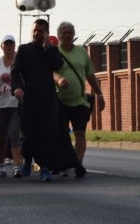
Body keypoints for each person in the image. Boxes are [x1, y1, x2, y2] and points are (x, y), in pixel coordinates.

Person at [11, 19, 81, 181]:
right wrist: (17, 87)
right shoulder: (23, 50)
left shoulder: (51, 50)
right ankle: (28, 159)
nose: (37, 34)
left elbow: (56, 65)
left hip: (48, 100)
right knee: (29, 135)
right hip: (28, 99)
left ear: (46, 33)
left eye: (41, 31)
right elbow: (15, 72)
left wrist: (48, 47)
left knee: (48, 135)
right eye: (35, 30)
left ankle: (45, 168)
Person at [54, 21, 105, 176]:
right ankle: (64, 163)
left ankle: (78, 162)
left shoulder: (81, 52)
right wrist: (59, 79)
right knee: (62, 134)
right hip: (60, 101)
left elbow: (90, 74)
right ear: (59, 36)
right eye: (64, 33)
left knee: (80, 133)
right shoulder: (53, 52)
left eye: (70, 32)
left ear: (74, 35)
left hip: (80, 101)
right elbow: (50, 72)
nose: (67, 35)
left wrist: (99, 93)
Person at [0, 35, 24, 177]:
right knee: (2, 137)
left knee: (16, 134)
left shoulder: (20, 62)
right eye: (6, 44)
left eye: (11, 44)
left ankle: (17, 166)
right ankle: (1, 163)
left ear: (14, 46)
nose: (9, 47)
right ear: (2, 46)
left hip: (16, 104)